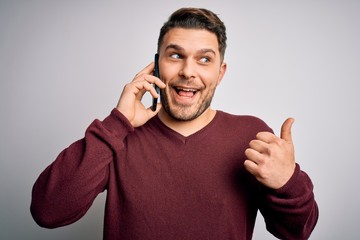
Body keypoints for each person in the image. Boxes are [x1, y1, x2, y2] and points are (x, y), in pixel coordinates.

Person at [31, 7, 318, 240]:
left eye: (204, 59)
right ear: (157, 65)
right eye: (176, 55)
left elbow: (297, 232)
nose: (188, 72)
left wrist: (287, 183)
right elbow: (48, 211)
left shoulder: (250, 135)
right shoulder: (121, 135)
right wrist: (117, 124)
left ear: (220, 73)